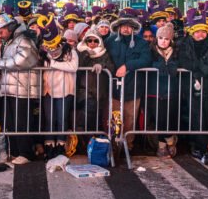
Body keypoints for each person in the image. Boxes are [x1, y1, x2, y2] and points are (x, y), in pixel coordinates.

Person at [0, 13, 40, 165]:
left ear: (10, 28)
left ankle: (26, 152)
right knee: (11, 121)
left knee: (22, 122)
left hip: (23, 88)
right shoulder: (9, 42)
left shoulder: (24, 40)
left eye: (1, 31)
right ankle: (16, 151)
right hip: (10, 88)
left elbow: (23, 60)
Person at [180, 10, 208, 165]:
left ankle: (204, 145)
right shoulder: (184, 44)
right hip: (191, 85)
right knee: (195, 115)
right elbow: (184, 62)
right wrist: (202, 68)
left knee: (207, 114)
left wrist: (201, 69)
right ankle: (199, 146)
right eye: (197, 32)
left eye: (203, 31)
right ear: (192, 32)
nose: (200, 35)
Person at [106, 9, 152, 151]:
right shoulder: (110, 41)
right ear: (118, 26)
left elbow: (146, 59)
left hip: (133, 87)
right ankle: (114, 144)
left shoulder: (141, 42)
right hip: (114, 87)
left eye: (129, 26)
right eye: (123, 25)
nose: (126, 29)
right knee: (114, 117)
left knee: (130, 118)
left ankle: (128, 145)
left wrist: (128, 66)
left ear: (133, 27)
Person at [39, 20, 78, 159]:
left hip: (65, 89)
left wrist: (53, 63)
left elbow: (73, 67)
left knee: (62, 119)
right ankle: (49, 145)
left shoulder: (70, 50)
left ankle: (61, 145)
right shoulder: (43, 51)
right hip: (48, 89)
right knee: (49, 119)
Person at [147, 23, 182, 158]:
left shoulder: (176, 52)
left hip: (172, 90)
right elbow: (149, 63)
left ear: (171, 40)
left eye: (166, 39)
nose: (163, 41)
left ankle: (168, 142)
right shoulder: (151, 51)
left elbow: (177, 64)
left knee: (170, 118)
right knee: (160, 119)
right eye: (161, 38)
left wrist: (170, 66)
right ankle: (166, 143)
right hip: (155, 90)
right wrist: (162, 65)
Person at [75, 26, 114, 134]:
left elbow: (111, 67)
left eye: (95, 40)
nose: (92, 43)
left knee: (97, 115)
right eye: (89, 40)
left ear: (99, 41)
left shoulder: (104, 53)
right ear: (85, 41)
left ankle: (93, 137)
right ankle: (81, 131)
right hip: (84, 89)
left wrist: (102, 65)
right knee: (89, 108)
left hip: (100, 90)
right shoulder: (79, 51)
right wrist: (86, 54)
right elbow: (78, 66)